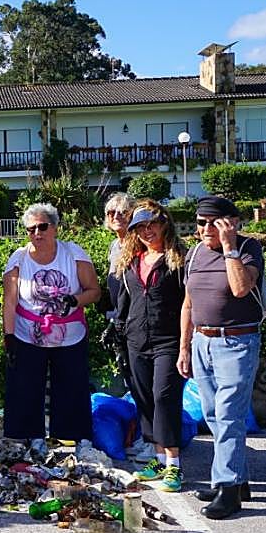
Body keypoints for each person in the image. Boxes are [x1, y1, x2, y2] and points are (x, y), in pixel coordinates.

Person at [176, 195, 263, 520]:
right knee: (213, 415)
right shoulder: (196, 252)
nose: (206, 228)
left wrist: (229, 248)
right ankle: (236, 480)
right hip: (203, 341)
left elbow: (241, 288)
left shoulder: (248, 248)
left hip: (237, 342)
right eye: (201, 222)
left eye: (214, 222)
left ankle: (227, 489)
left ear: (232, 222)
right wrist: (185, 347)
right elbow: (188, 303)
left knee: (228, 415)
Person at [2, 203, 99, 455]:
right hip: (27, 333)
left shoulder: (73, 254)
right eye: (30, 229)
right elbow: (10, 300)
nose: (37, 233)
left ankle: (78, 437)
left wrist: (75, 300)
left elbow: (94, 291)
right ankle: (32, 436)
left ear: (55, 228)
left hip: (69, 334)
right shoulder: (18, 258)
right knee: (26, 386)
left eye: (42, 227)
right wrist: (8, 335)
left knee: (73, 385)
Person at [114, 201, 186, 491]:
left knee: (164, 396)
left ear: (164, 223)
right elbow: (125, 300)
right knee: (144, 398)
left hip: (168, 339)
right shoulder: (131, 260)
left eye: (152, 224)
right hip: (136, 339)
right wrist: (118, 331)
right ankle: (157, 457)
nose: (148, 230)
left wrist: (186, 343)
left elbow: (189, 303)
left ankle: (173, 465)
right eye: (141, 226)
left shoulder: (178, 259)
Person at [102, 193, 150, 462]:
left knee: (143, 383)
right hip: (120, 321)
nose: (116, 217)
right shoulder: (114, 247)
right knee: (132, 381)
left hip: (138, 323)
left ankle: (150, 440)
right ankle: (142, 435)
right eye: (111, 213)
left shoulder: (137, 247)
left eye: (123, 212)